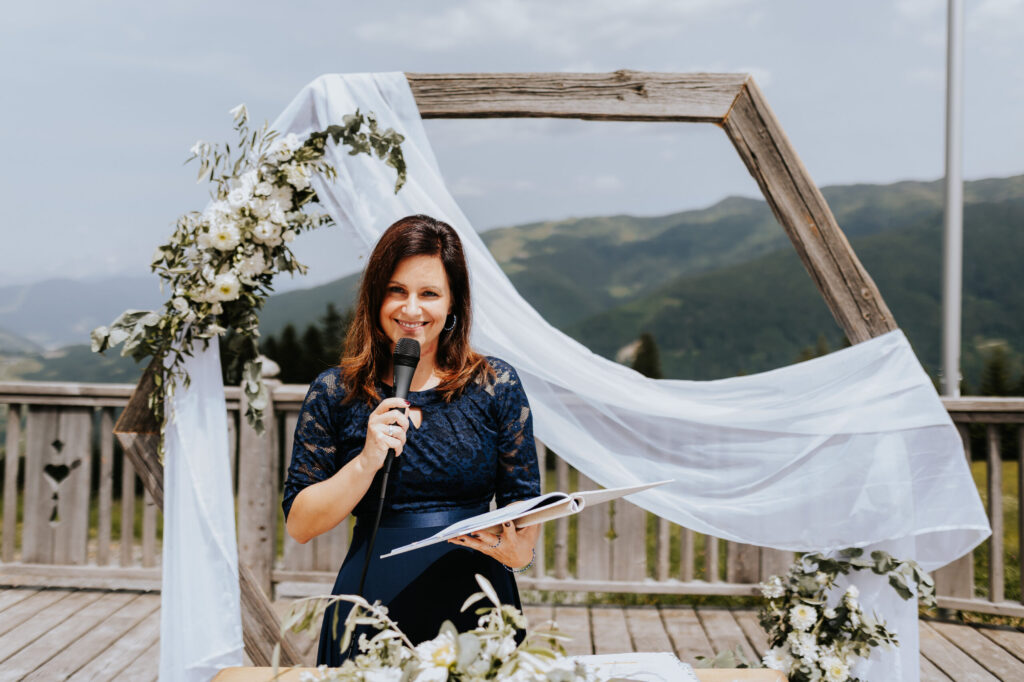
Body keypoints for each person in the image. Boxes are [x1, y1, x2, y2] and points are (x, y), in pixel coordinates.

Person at [282, 214, 541, 665]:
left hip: (476, 602)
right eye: (397, 291)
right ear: (375, 296)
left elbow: (524, 505)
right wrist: (366, 461)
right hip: (370, 600)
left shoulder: (495, 385)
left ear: (453, 303)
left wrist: (519, 553)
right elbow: (301, 525)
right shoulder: (335, 392)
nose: (411, 310)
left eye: (429, 294)